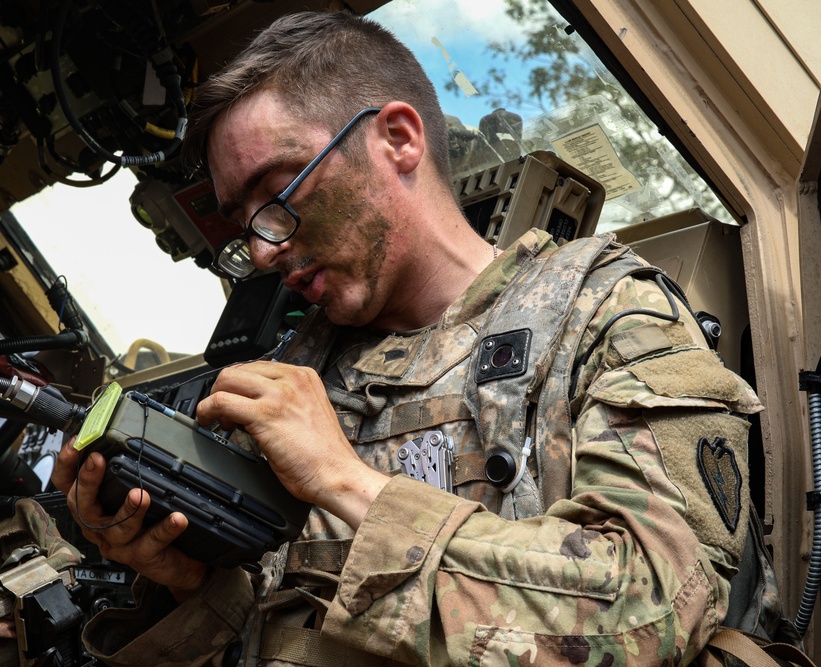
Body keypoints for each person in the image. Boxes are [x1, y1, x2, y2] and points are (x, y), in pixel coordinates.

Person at [52, 9, 778, 666]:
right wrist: (189, 585)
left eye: (277, 193)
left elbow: (652, 612)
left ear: (397, 139)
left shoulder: (608, 314)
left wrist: (346, 482)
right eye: (244, 222)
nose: (265, 249)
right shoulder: (291, 378)